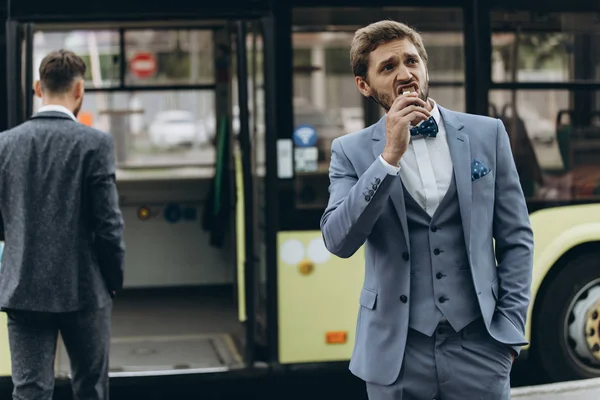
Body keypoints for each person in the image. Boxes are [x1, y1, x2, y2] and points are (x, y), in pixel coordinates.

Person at [320, 20, 533, 399]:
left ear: (424, 65)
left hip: (480, 348)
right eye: (388, 67)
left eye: (411, 61)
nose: (405, 74)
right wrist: (388, 158)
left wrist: (508, 334)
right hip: (396, 355)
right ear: (364, 85)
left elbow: (517, 238)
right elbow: (338, 240)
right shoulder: (349, 152)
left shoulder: (487, 133)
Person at [0, 49, 125, 400]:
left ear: (38, 88)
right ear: (80, 89)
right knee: (89, 387)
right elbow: (108, 225)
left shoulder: (4, 145)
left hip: (23, 289)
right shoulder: (95, 144)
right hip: (85, 287)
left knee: (29, 391)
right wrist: (112, 280)